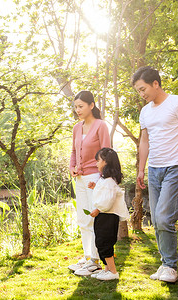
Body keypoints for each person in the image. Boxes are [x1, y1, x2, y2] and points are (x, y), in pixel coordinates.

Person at [132, 66, 178, 283]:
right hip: (154, 169)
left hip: (175, 166)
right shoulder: (145, 111)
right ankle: (165, 263)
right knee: (157, 218)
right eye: (138, 91)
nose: (142, 94)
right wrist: (141, 169)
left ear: (155, 83)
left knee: (164, 218)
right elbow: (145, 141)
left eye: (143, 89)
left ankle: (170, 266)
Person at [68, 91, 111, 276]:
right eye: (76, 106)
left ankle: (95, 260)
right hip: (79, 178)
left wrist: (102, 178)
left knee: (94, 219)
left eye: (81, 106)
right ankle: (88, 257)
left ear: (91, 105)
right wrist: (72, 167)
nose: (77, 110)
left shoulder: (101, 126)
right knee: (83, 219)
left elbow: (107, 153)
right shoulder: (77, 128)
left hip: (95, 178)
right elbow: (72, 152)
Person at [88, 148, 129, 281]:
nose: (96, 163)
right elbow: (104, 194)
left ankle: (113, 271)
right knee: (101, 241)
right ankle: (107, 270)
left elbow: (107, 201)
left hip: (107, 215)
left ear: (105, 162)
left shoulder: (109, 181)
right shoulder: (105, 180)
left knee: (104, 242)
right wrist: (95, 187)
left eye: (98, 160)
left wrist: (98, 210)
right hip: (105, 216)